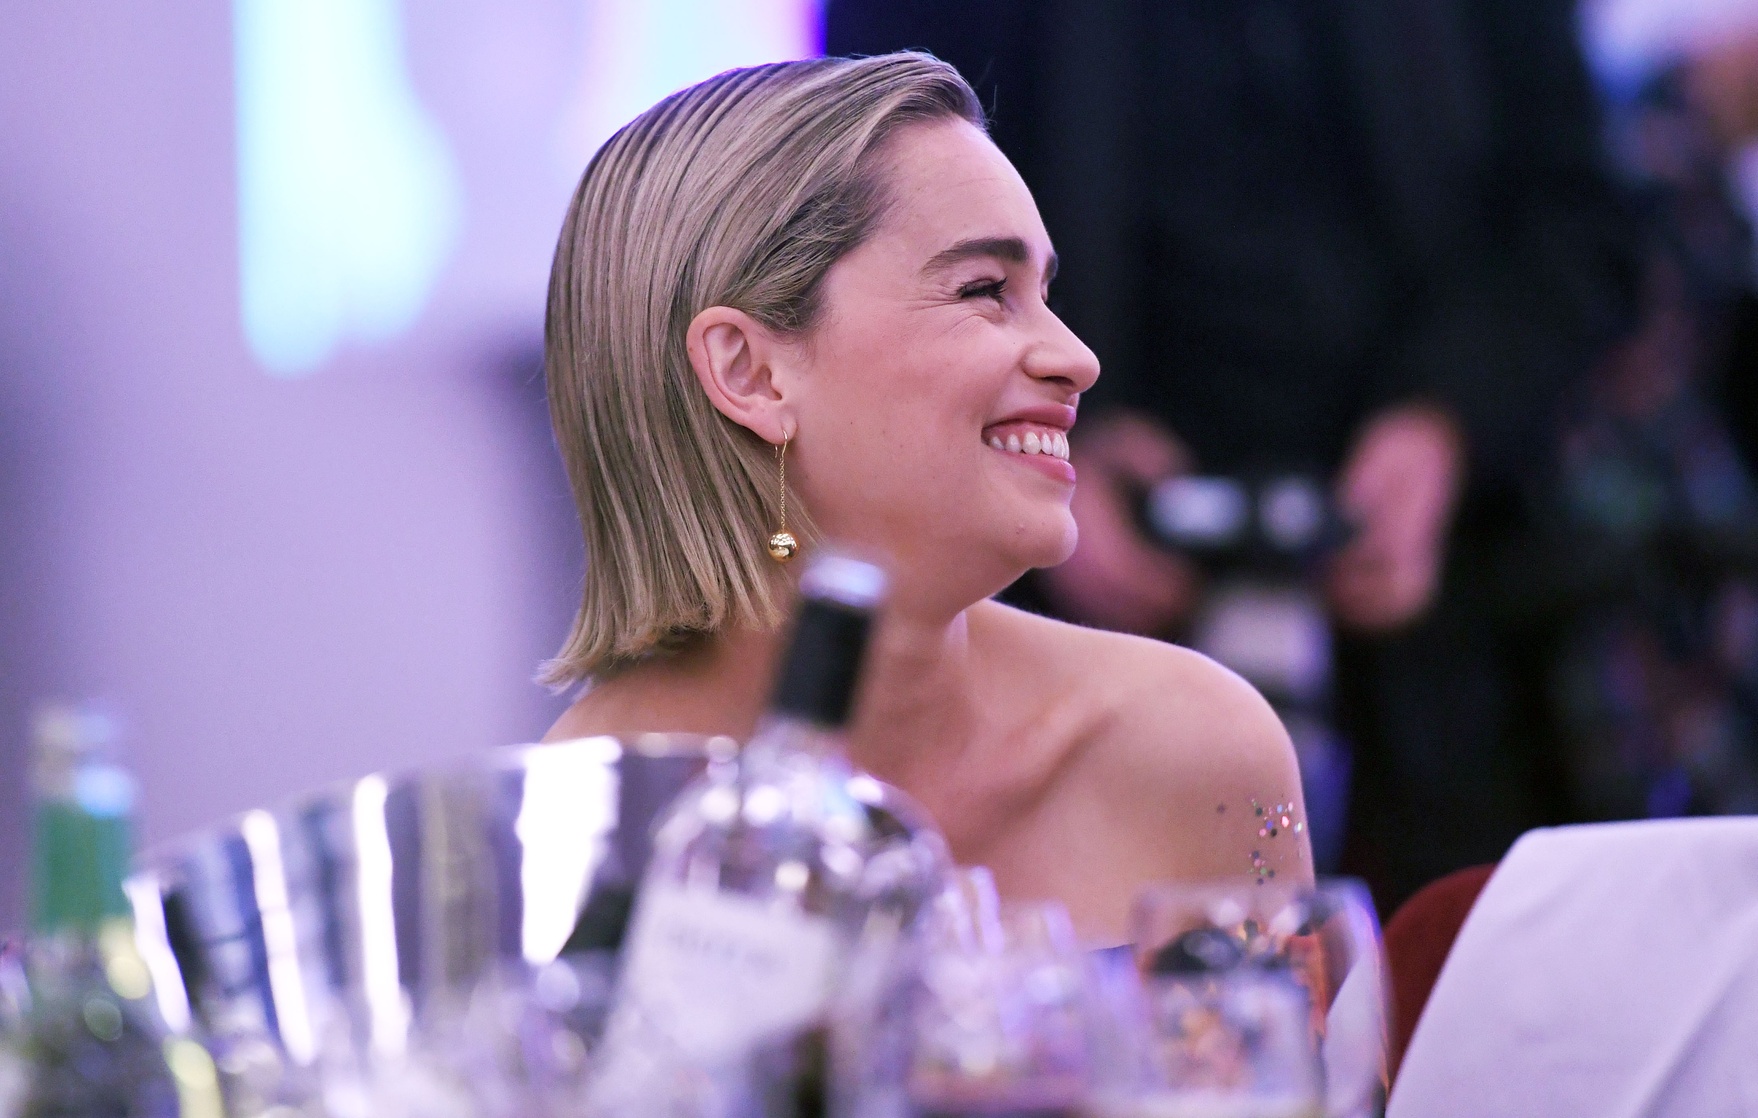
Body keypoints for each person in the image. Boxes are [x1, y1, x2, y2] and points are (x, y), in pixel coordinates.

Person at [828, 0, 1639, 908]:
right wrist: (1051, 440)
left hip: (1450, 612)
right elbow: (861, 197)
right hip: (1061, 576)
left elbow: (1579, 217)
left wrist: (1445, 421)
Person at [538, 53, 1311, 943]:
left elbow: (1298, 1033)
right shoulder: (579, 833)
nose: (1079, 359)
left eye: (1045, 293)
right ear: (750, 373)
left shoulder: (1198, 749)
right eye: (984, 291)